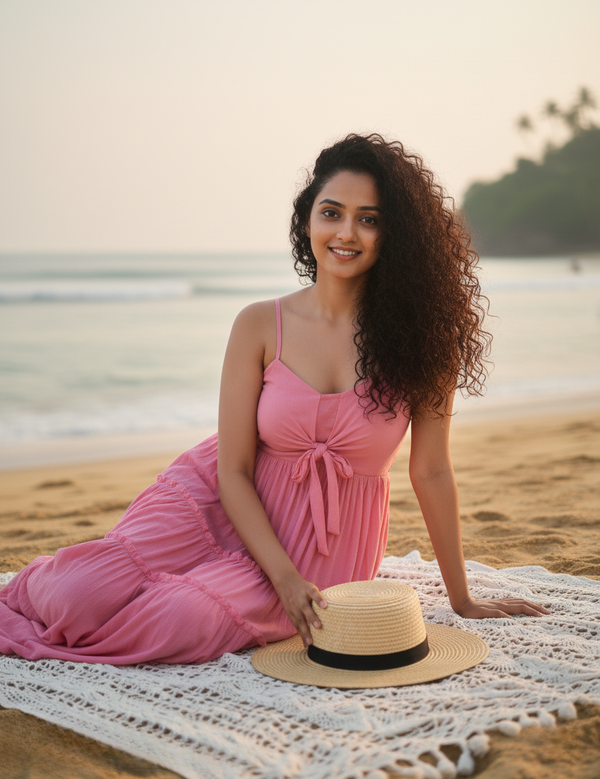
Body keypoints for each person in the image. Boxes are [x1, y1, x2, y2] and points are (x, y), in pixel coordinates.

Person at [0, 134, 549, 664]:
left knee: (180, 620)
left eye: (370, 219)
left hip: (323, 543)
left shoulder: (424, 342)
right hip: (220, 499)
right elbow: (234, 468)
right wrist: (281, 579)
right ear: (307, 218)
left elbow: (431, 473)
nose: (346, 232)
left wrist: (462, 598)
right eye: (331, 212)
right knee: (75, 592)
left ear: (394, 235)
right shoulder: (260, 324)